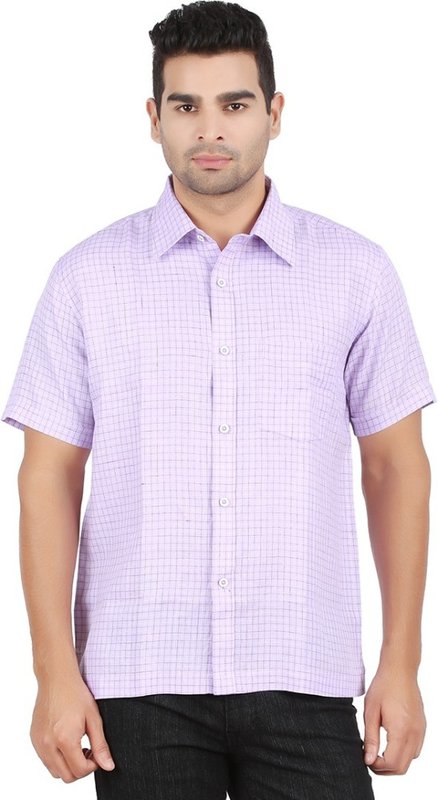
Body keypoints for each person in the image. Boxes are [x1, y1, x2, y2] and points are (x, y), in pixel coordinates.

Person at [2, 1, 435, 797]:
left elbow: (396, 468)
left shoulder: (356, 273)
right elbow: (48, 477)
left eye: (235, 104)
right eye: (186, 106)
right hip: (139, 679)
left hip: (303, 668)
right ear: (153, 118)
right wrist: (53, 673)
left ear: (274, 112)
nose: (210, 130)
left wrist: (401, 663)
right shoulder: (86, 279)